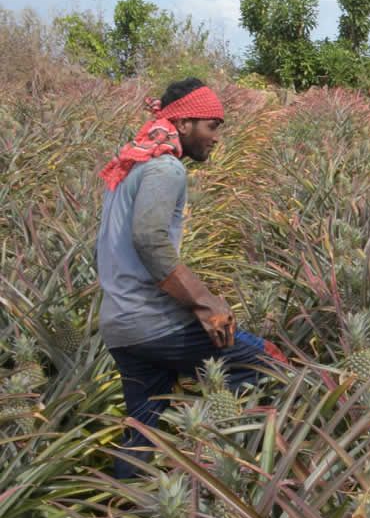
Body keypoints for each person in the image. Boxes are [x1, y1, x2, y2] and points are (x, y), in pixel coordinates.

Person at [96, 78, 285, 478]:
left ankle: (118, 517)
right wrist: (203, 299)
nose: (216, 137)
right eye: (211, 125)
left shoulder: (132, 165)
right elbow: (149, 239)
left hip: (119, 325)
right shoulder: (165, 168)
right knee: (270, 365)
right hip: (153, 322)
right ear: (183, 124)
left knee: (144, 430)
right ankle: (208, 448)